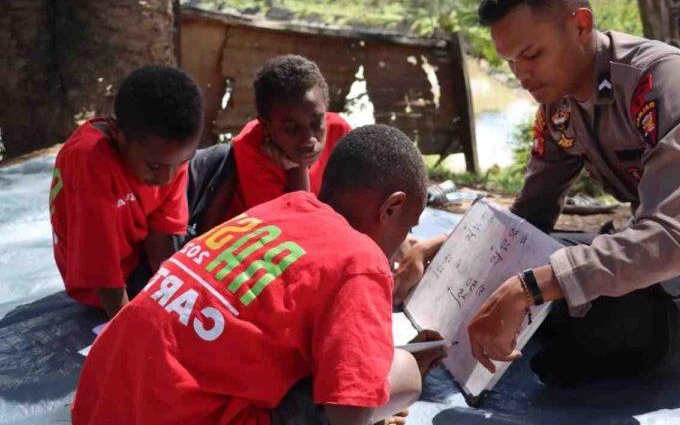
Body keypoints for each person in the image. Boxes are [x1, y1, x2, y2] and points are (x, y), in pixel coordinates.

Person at [466, 0, 680, 385]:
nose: (522, 76)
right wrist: (450, 251)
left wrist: (535, 286)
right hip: (657, 262)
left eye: (531, 55)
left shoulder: (663, 81)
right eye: (511, 62)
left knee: (633, 316)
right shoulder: (558, 107)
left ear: (581, 25)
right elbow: (529, 217)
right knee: (528, 259)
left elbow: (674, 240)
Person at [71, 124, 443, 425]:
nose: (399, 248)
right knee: (403, 372)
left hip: (101, 404)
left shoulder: (281, 208)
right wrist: (378, 390)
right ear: (392, 207)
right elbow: (348, 414)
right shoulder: (361, 259)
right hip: (189, 414)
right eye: (408, 226)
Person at [49, 65, 203, 318]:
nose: (167, 178)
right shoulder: (89, 161)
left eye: (181, 162)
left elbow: (161, 236)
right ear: (117, 133)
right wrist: (126, 328)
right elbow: (101, 269)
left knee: (223, 159)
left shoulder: (165, 157)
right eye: (155, 166)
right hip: (104, 289)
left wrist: (174, 299)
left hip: (139, 255)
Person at [185, 55, 351, 237]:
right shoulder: (251, 147)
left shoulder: (339, 132)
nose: (309, 139)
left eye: (316, 121)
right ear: (266, 125)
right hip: (251, 246)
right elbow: (296, 231)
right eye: (291, 128)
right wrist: (298, 168)